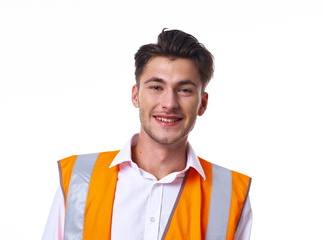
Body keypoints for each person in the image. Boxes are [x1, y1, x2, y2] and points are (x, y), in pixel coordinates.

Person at [42, 29, 252, 240]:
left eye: (185, 90)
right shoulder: (79, 179)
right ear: (136, 96)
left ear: (203, 103)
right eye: (156, 87)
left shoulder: (231, 194)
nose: (169, 103)